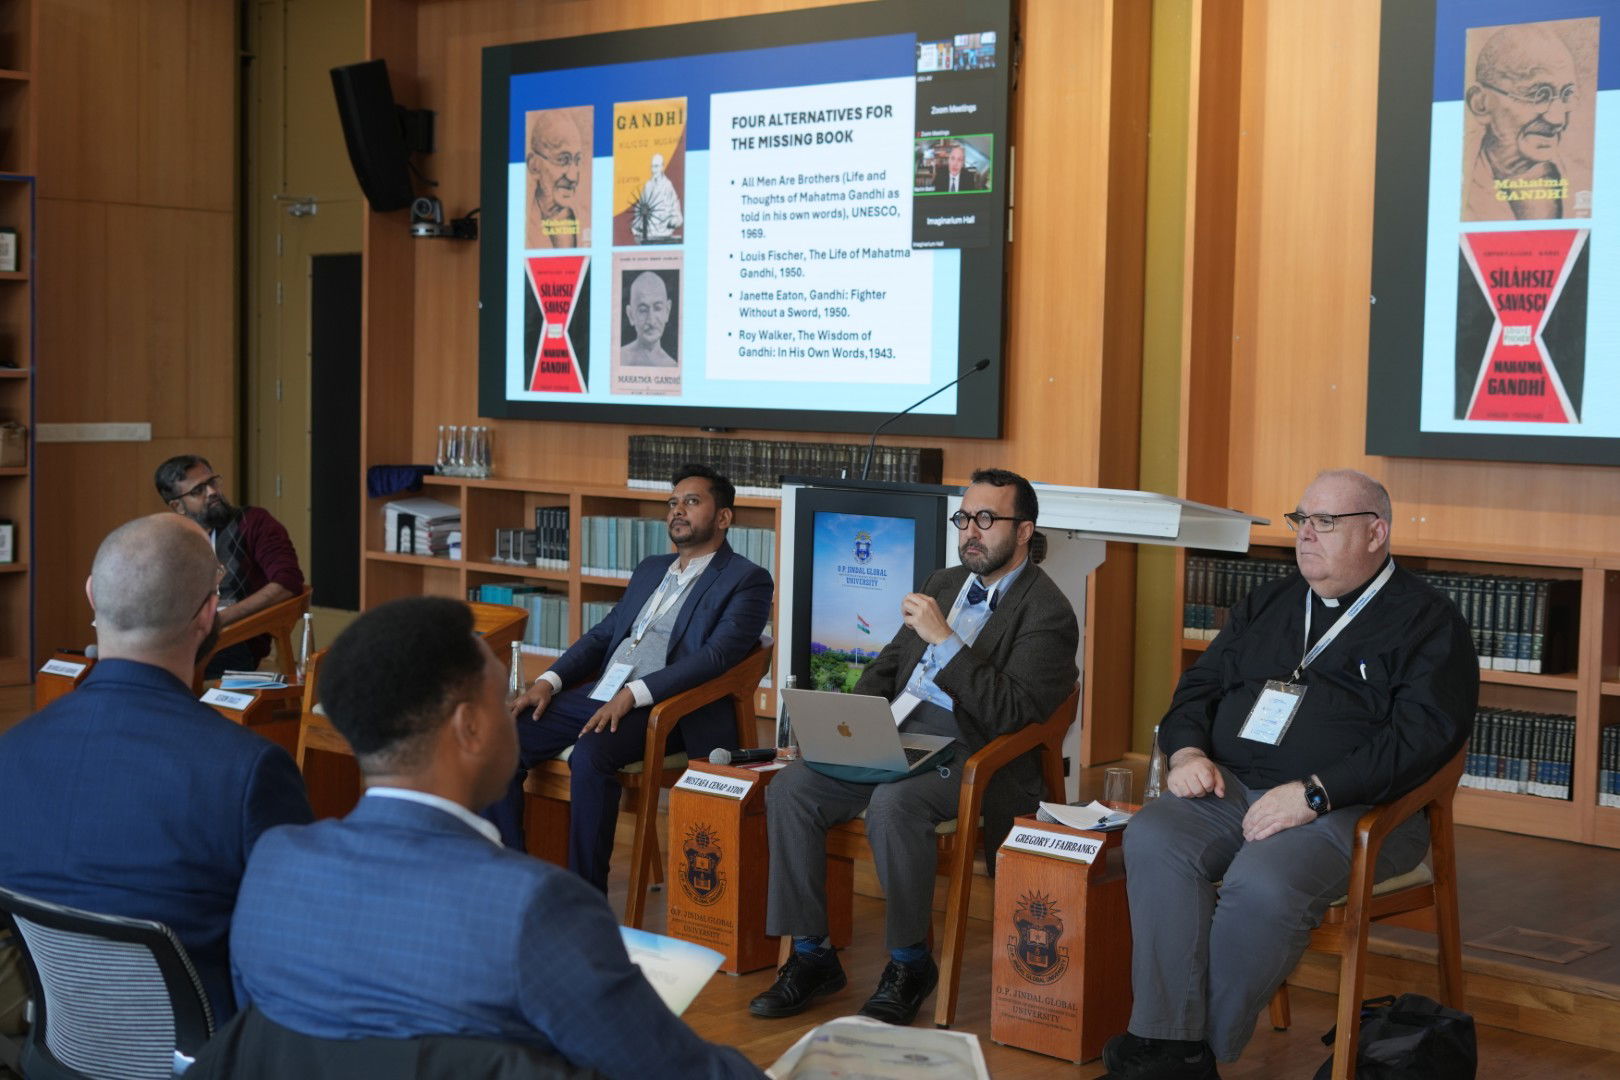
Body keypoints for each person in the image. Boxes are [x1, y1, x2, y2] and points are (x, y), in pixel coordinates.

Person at [229, 596, 764, 1079]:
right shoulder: (537, 906)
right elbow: (674, 1069)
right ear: (471, 727)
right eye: (504, 699)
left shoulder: (274, 862)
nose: (516, 713)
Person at [1099, 470, 1477, 1080]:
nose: (1305, 534)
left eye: (1326, 522)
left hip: (1356, 809)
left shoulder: (1429, 621)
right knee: (1154, 836)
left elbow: (1423, 738)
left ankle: (1191, 1050)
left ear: (1376, 532)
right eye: (1301, 520)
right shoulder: (1269, 602)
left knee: (1264, 879)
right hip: (1232, 787)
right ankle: (1169, 1045)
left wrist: (1316, 793)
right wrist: (1188, 752)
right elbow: (1198, 687)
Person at [751, 468, 1079, 1026]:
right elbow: (888, 666)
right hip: (895, 735)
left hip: (970, 751)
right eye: (964, 519)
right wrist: (847, 723)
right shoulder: (944, 582)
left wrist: (945, 640)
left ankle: (910, 964)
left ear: (1024, 531)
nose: (970, 531)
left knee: (894, 804)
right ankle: (812, 955)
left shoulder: (1048, 611)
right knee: (792, 789)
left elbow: (1010, 712)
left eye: (986, 519)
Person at [0, 514, 313, 1021]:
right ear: (208, 614)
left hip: (60, 1042)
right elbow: (296, 957)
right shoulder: (249, 771)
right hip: (208, 1052)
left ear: (92, 595)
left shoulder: (11, 753)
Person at [489, 464, 772, 890]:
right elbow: (604, 634)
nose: (677, 511)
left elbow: (716, 657)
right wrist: (549, 680)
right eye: (672, 503)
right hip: (602, 694)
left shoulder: (746, 579)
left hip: (668, 709)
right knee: (501, 737)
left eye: (691, 502)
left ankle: (584, 896)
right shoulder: (651, 568)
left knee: (591, 754)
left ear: (723, 517)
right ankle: (510, 877)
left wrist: (635, 693)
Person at [155, 454, 305, 676]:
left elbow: (288, 583)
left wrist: (218, 621)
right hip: (184, 636)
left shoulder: (254, 522)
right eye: (198, 490)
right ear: (178, 506)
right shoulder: (176, 539)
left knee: (162, 667)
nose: (212, 492)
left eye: (212, 482)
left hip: (237, 639)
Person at [1462, 23, 1582, 221]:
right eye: (1538, 95)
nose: (1557, 120)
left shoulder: (1586, 179)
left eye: (1566, 95)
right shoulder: (1453, 180)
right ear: (1480, 103)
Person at [526, 108, 588, 248]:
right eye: (562, 160)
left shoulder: (588, 221)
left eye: (577, 160)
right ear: (534, 165)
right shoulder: (521, 226)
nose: (573, 177)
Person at [619, 270, 678, 367]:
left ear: (667, 311)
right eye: (643, 310)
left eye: (657, 308)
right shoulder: (619, 359)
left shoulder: (672, 366)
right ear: (631, 315)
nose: (651, 321)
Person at [635, 152, 683, 240]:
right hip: (649, 224)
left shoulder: (668, 185)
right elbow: (640, 207)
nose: (654, 170)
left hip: (664, 225)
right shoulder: (647, 185)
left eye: (656, 166)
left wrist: (672, 219)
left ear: (662, 167)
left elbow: (675, 207)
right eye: (652, 167)